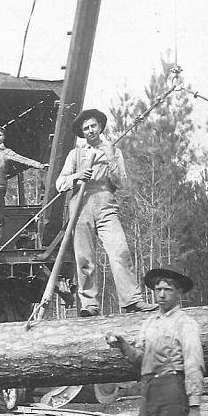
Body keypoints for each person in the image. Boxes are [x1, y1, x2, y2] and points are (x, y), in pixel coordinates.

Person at [105, 262, 204, 416]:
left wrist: (194, 406)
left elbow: (194, 365)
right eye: (158, 289)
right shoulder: (149, 323)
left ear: (179, 292)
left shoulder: (186, 324)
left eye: (167, 290)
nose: (161, 294)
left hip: (173, 392)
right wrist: (123, 345)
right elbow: (141, 360)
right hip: (148, 393)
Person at [56, 108, 153, 316]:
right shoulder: (76, 154)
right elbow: (60, 183)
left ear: (100, 127)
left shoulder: (114, 151)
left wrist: (110, 158)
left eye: (93, 126)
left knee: (120, 250)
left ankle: (131, 300)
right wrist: (77, 176)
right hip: (80, 205)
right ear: (82, 133)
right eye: (86, 128)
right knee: (85, 258)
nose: (90, 130)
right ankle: (89, 304)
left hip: (106, 203)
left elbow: (122, 183)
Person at [0, 126, 48, 251]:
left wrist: (38, 165)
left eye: (0, 135)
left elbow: (22, 159)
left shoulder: (7, 152)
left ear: (3, 137)